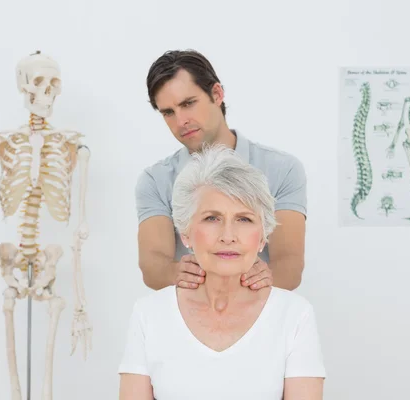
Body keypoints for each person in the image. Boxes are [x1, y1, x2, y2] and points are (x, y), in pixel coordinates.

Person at [119, 144, 326, 399]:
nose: (228, 236)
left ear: (262, 238)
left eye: (244, 219)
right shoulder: (148, 314)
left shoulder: (295, 315)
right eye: (212, 218)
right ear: (186, 233)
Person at [136, 49, 308, 292]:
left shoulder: (283, 169)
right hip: (189, 317)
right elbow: (153, 267)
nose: (181, 120)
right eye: (168, 112)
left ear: (217, 94)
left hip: (260, 317)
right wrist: (174, 271)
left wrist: (247, 287)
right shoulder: (155, 180)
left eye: (188, 104)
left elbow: (289, 266)